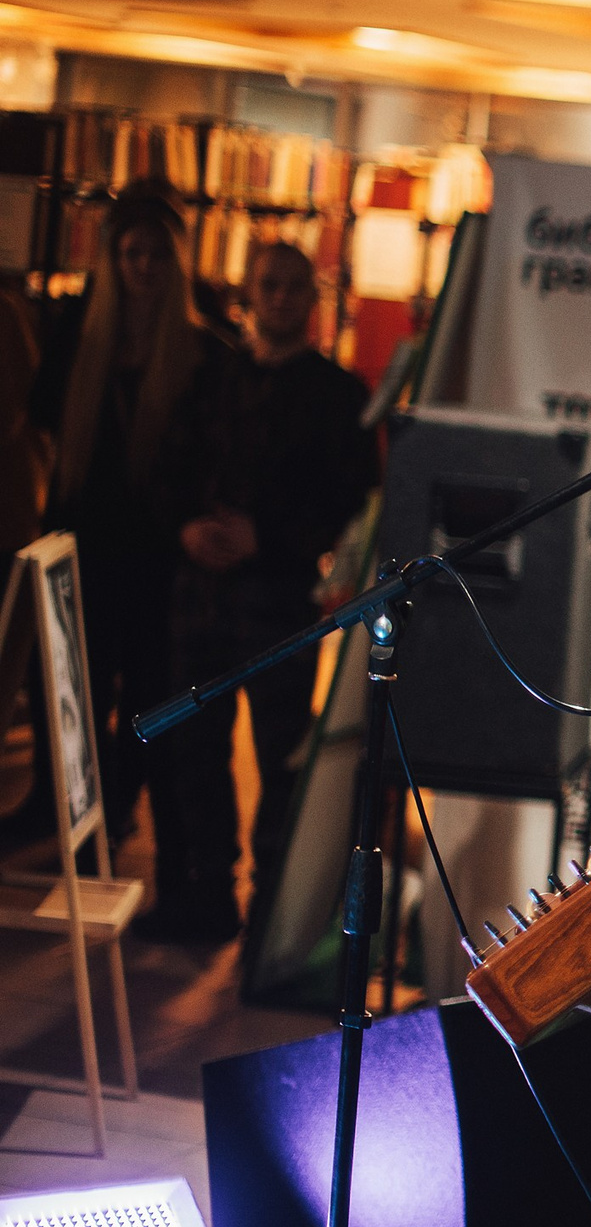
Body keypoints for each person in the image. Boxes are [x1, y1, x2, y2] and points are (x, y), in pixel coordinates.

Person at [150, 242, 376, 945]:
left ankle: (273, 917)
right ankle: (207, 898)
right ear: (248, 292)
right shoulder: (208, 378)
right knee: (196, 755)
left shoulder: (340, 395)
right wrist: (187, 529)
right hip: (201, 596)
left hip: (279, 601)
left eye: (292, 288)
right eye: (267, 285)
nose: (279, 297)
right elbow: (167, 470)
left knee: (282, 757)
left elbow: (351, 499)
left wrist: (269, 537)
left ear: (313, 300)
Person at [31, 186, 230, 853]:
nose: (143, 266)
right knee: (75, 688)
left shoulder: (204, 355)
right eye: (131, 253)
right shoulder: (80, 342)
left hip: (156, 556)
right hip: (83, 545)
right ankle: (70, 811)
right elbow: (43, 428)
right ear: (113, 260)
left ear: (176, 263)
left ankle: (117, 809)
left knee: (147, 690)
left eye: (156, 255)